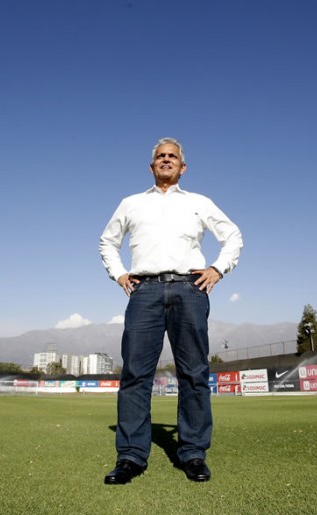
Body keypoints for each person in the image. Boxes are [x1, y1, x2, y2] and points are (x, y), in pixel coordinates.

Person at [99, 137, 243, 484]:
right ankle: (131, 456)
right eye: (161, 156)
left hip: (189, 290)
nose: (166, 160)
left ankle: (192, 452)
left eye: (172, 156)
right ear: (151, 167)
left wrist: (218, 268)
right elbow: (107, 241)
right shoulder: (131, 203)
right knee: (135, 375)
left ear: (183, 166)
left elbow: (233, 236)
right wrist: (119, 274)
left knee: (193, 373)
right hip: (144, 291)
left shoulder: (199, 202)